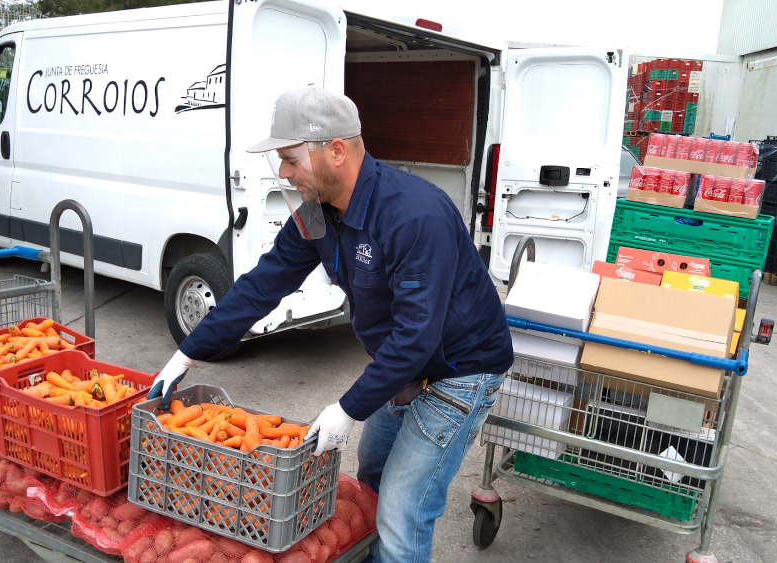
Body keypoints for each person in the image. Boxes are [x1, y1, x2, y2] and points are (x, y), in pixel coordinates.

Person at [148, 84, 513, 561]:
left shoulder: (413, 215)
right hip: (404, 365)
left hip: (459, 371)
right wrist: (188, 352)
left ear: (336, 151)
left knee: (401, 513)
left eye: (290, 159)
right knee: (372, 475)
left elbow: (416, 336)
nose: (283, 172)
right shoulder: (320, 216)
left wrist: (348, 408)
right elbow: (262, 285)